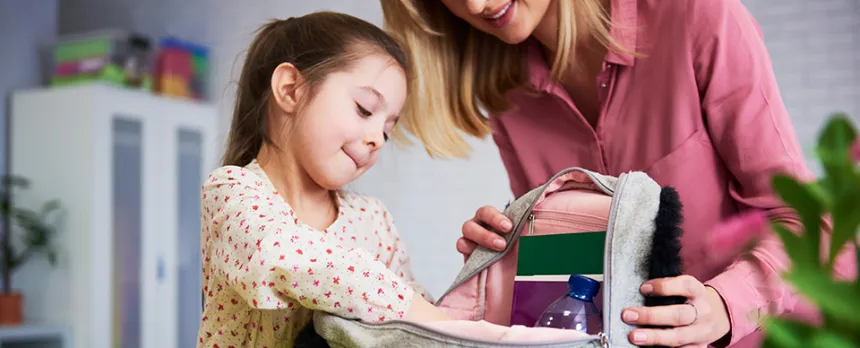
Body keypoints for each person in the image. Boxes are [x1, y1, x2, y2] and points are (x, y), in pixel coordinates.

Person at [380, 0, 856, 347]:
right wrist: (510, 256)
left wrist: (722, 305)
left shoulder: (697, 16)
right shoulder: (507, 96)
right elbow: (577, 274)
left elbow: (808, 223)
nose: (477, 4)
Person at [197, 12, 449, 348]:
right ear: (290, 90)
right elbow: (280, 256)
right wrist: (407, 307)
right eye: (364, 109)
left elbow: (416, 314)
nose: (377, 138)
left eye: (388, 130)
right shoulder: (232, 192)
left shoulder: (373, 220)